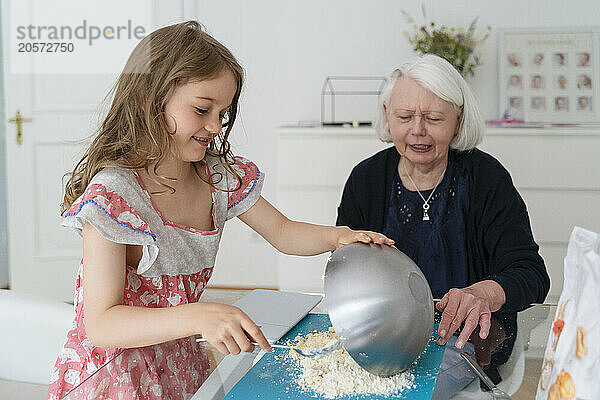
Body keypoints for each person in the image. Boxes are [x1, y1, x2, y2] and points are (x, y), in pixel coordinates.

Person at [47, 21, 393, 400]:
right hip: (113, 376)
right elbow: (102, 323)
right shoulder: (114, 195)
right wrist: (199, 315)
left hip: (179, 358)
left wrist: (338, 237)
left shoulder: (218, 176)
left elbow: (283, 231)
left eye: (223, 114)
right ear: (151, 99)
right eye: (201, 109)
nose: (214, 126)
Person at [336, 55, 549, 354]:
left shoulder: (487, 178)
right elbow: (345, 271)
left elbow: (532, 274)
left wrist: (482, 294)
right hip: (385, 342)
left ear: (458, 119)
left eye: (434, 118)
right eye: (405, 117)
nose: (418, 130)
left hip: (470, 342)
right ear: (387, 114)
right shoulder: (366, 180)